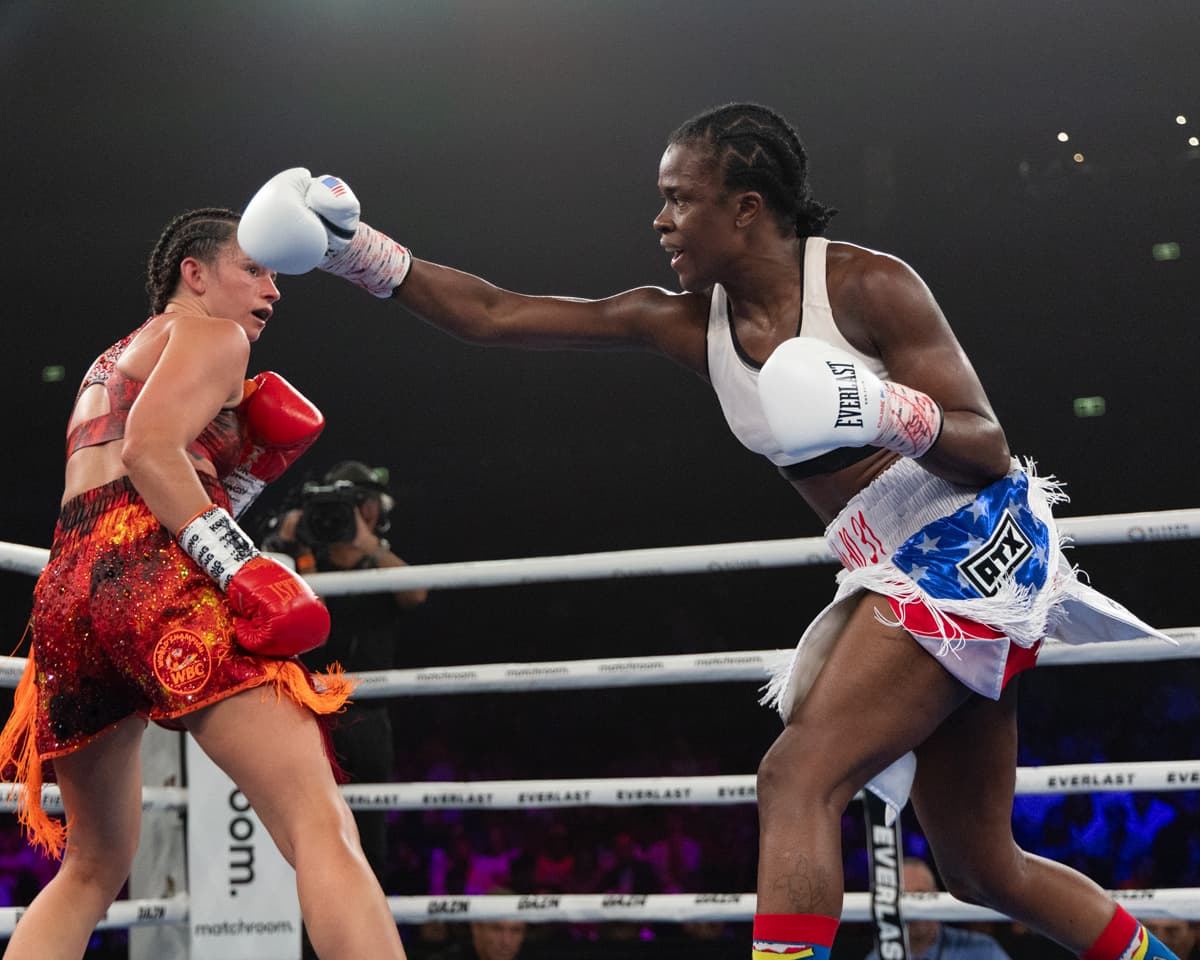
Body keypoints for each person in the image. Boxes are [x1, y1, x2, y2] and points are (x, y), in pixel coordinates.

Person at [237, 103, 1180, 960]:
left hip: (971, 543)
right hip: (890, 568)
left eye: (678, 200)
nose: (659, 221)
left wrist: (882, 408)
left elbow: (986, 445)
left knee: (797, 776)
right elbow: (495, 314)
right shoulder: (682, 325)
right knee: (982, 868)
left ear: (747, 207)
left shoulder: (870, 287)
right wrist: (353, 252)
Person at [0, 208, 405, 959]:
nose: (273, 290)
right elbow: (153, 453)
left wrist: (249, 465)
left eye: (276, 276)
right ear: (194, 273)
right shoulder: (212, 335)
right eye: (254, 269)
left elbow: (137, 474)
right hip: (150, 572)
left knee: (92, 866)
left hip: (68, 592)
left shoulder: (112, 361)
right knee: (317, 820)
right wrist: (240, 566)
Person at [262, 458, 428, 890]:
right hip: (304, 714)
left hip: (366, 716)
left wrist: (365, 545)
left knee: (367, 842)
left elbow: (417, 592)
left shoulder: (380, 564)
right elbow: (260, 594)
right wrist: (284, 538)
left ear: (372, 510)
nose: (347, 514)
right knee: (300, 837)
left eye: (358, 504)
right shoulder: (300, 558)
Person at [864, 858, 1011, 960]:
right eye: (904, 897)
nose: (913, 907)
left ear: (936, 895)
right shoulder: (878, 958)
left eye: (921, 895)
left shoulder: (981, 951)